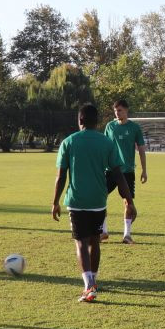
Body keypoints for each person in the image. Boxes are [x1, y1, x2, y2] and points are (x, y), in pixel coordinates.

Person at [53, 104, 134, 303]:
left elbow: (61, 176)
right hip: (98, 200)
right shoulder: (106, 142)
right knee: (95, 241)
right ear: (96, 122)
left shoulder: (69, 142)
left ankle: (89, 285)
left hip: (77, 200)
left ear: (80, 120)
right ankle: (93, 281)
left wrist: (55, 202)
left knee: (81, 242)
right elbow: (118, 174)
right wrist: (129, 201)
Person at [102, 99, 147, 243]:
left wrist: (144, 170)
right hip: (110, 170)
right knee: (100, 198)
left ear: (126, 110)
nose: (117, 112)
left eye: (120, 110)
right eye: (115, 110)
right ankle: (103, 231)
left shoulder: (134, 128)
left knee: (128, 202)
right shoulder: (110, 126)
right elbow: (104, 147)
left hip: (127, 171)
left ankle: (127, 235)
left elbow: (141, 150)